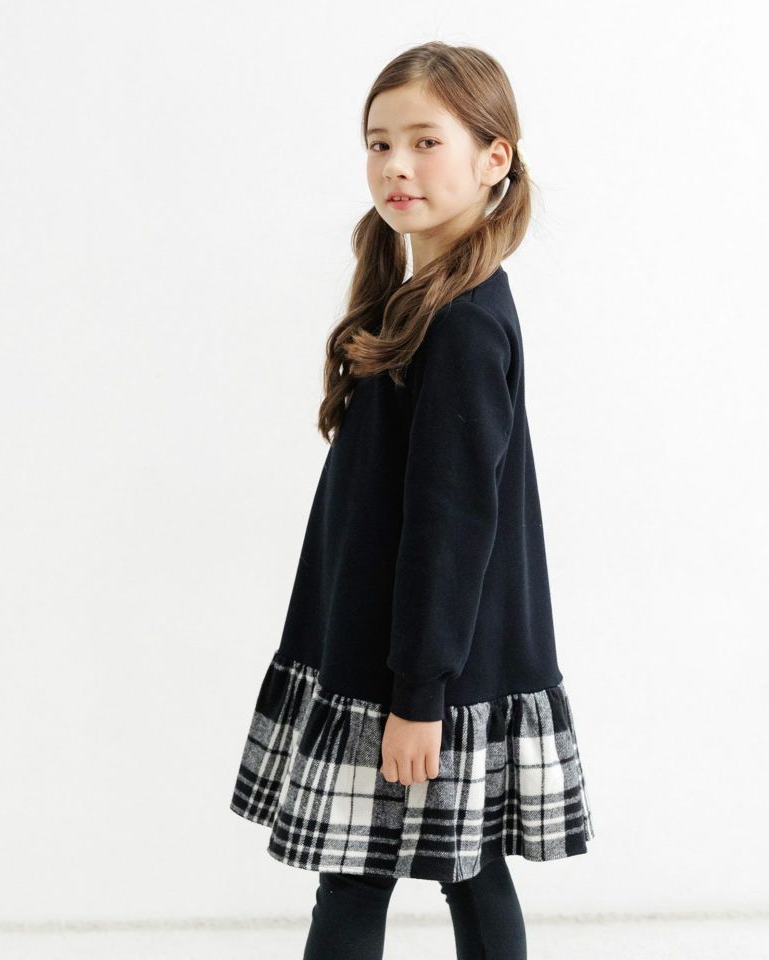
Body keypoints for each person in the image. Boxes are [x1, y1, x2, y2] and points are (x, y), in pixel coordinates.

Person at [229, 40, 594, 960]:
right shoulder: (426, 302)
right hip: (406, 657)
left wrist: (419, 696)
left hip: (416, 671)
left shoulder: (463, 322)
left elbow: (452, 527)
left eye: (426, 142)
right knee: (464, 870)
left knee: (361, 878)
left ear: (494, 158)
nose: (396, 165)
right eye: (379, 142)